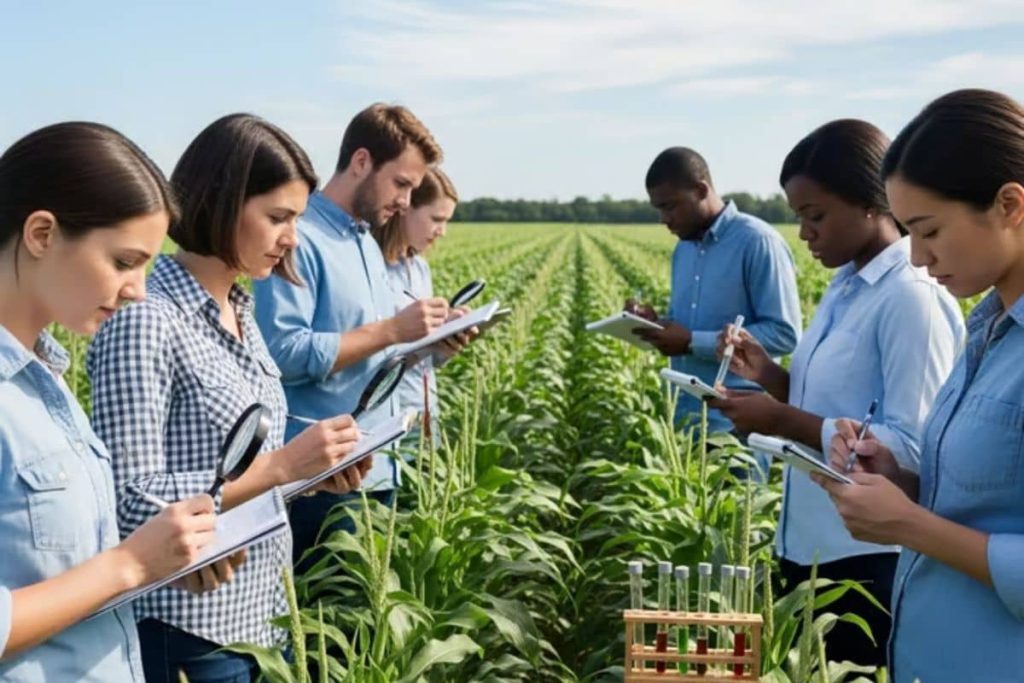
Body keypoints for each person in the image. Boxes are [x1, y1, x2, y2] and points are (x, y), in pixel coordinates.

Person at [88, 114, 367, 683]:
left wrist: (307, 474)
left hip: (262, 618)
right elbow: (125, 497)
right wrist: (282, 464)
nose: (292, 238)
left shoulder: (239, 309)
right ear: (222, 203)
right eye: (278, 218)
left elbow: (236, 473)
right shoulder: (145, 319)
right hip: (187, 630)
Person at [708, 119, 963, 665]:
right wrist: (772, 378)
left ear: (873, 202)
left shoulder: (909, 298)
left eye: (815, 216)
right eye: (800, 218)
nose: (805, 234)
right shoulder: (847, 284)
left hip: (867, 560)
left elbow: (917, 448)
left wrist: (781, 421)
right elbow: (835, 401)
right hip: (810, 545)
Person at [815, 89, 1024, 681]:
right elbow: (993, 500)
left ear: (1010, 204)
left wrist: (908, 525)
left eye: (929, 230)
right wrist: (902, 480)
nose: (916, 256)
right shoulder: (989, 327)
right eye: (907, 231)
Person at [0, 122, 220, 681]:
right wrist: (128, 565)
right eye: (124, 261)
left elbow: (41, 563)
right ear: (43, 234)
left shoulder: (43, 375)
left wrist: (157, 562)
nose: (139, 288)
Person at [253, 103, 450, 564]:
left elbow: (377, 352)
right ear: (361, 162)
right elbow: (281, 352)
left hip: (378, 470)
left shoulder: (365, 239)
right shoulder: (298, 239)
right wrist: (390, 329)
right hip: (323, 479)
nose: (405, 202)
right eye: (401, 183)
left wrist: (429, 343)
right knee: (326, 622)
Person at [635, 147, 802, 434]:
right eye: (658, 209)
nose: (664, 219)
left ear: (701, 190)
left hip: (737, 423)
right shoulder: (683, 250)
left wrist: (691, 341)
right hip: (685, 417)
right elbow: (684, 326)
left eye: (670, 206)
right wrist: (654, 324)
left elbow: (784, 334)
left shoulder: (757, 242)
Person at [371, 167, 463, 444]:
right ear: (405, 208)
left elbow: (424, 359)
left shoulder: (419, 268)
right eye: (436, 219)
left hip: (424, 411)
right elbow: (370, 352)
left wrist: (444, 343)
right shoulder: (373, 268)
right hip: (388, 418)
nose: (442, 231)